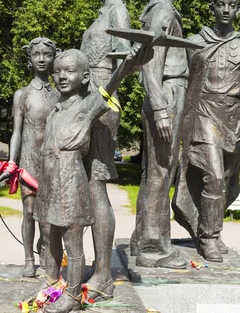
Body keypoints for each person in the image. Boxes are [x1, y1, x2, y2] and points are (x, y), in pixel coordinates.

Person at [35, 46, 152, 313]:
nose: (62, 76)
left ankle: (74, 296)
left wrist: (126, 65)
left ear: (85, 77)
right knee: (48, 232)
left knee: (71, 239)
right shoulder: (56, 109)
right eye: (58, 71)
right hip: (49, 178)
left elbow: (108, 88)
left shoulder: (86, 105)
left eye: (70, 71)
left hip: (69, 178)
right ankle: (52, 283)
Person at [172, 0, 240, 262]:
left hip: (233, 118)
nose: (225, 10)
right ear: (212, 8)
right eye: (220, 5)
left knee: (226, 184)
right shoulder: (197, 43)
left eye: (231, 5)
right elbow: (182, 79)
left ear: (237, 8)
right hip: (204, 114)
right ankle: (209, 238)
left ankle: (211, 229)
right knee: (213, 176)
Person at [79, 0, 133, 299]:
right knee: (86, 184)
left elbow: (128, 60)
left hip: (101, 105)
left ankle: (103, 275)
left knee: (96, 185)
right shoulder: (103, 10)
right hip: (89, 101)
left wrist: (101, 98)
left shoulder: (118, 11)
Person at [130, 0, 188, 269]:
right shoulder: (163, 11)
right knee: (161, 171)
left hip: (162, 95)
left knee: (152, 171)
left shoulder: (157, 10)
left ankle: (142, 239)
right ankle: (154, 246)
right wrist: (161, 108)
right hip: (166, 93)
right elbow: (151, 65)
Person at [0, 37, 60, 277]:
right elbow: (17, 132)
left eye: (47, 54)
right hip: (30, 161)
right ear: (29, 59)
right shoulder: (22, 95)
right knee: (29, 212)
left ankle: (47, 254)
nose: (42, 59)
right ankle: (28, 258)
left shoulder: (61, 94)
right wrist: (12, 162)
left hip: (53, 162)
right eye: (36, 55)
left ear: (55, 58)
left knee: (51, 214)